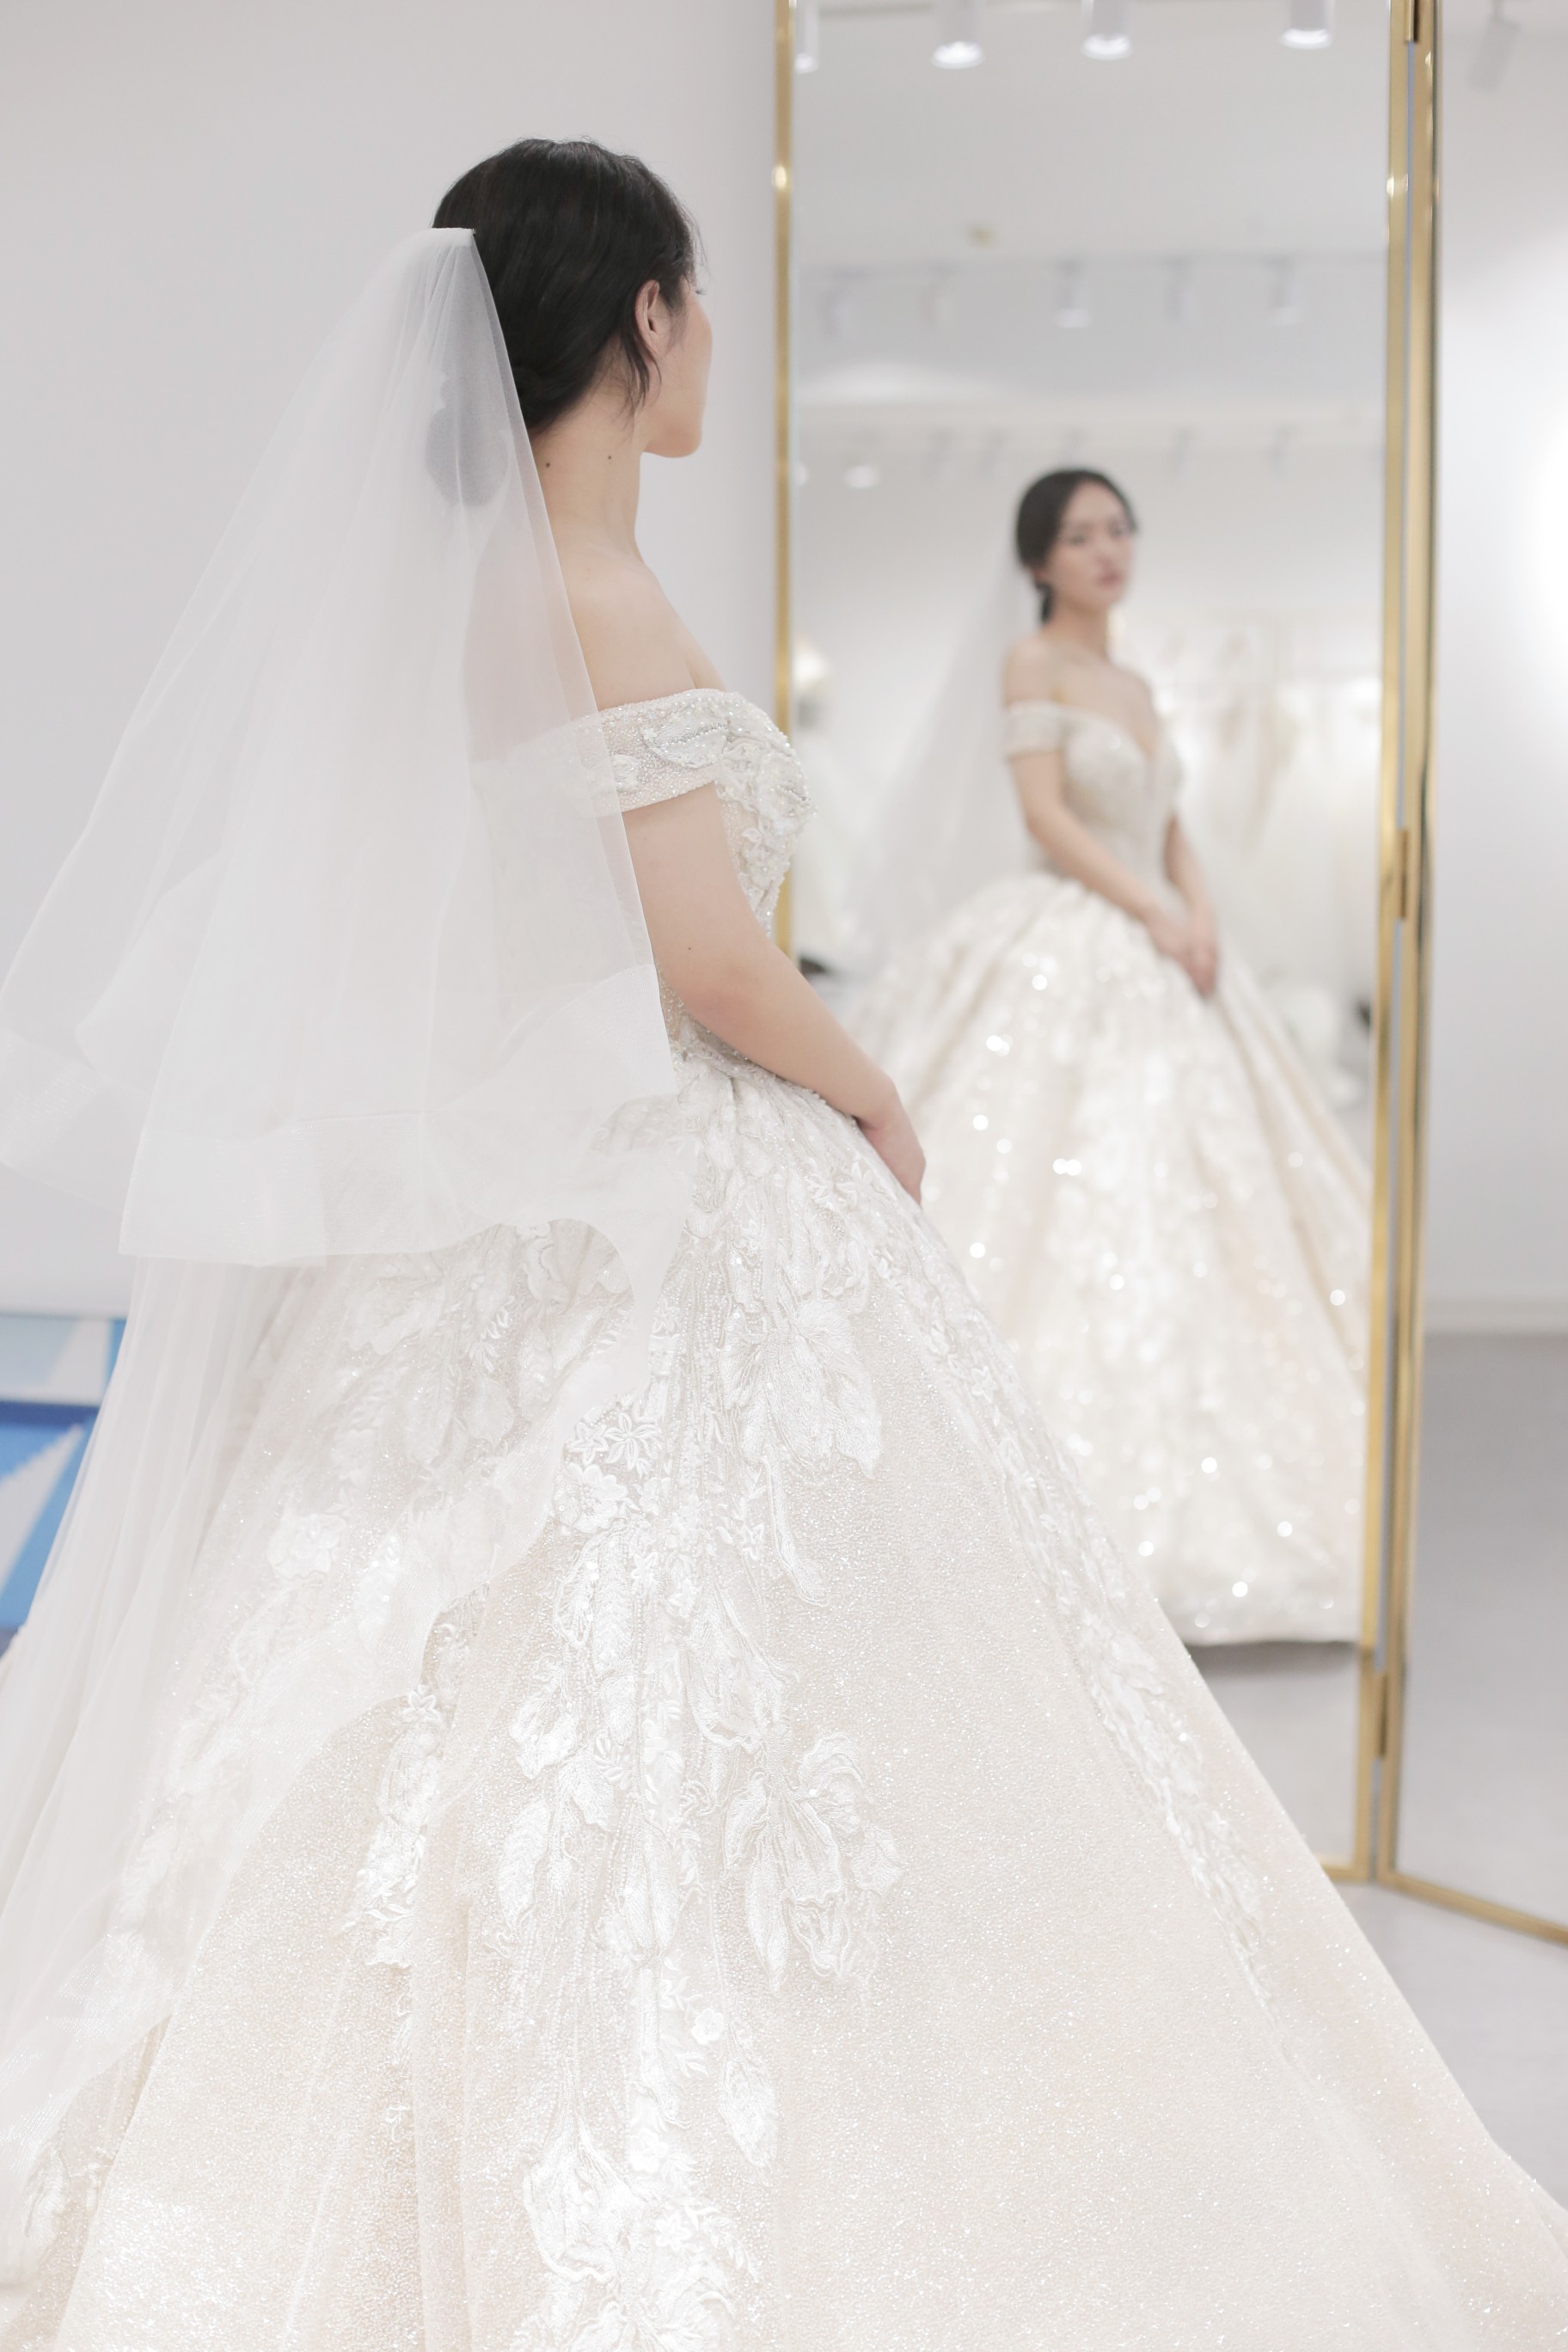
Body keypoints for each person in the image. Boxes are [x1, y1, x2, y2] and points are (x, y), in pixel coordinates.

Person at [0, 144, 1564, 2352]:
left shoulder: (463, 596)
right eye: (700, 299)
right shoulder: (601, 598)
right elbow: (711, 963)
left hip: (516, 1181)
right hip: (668, 1165)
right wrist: (873, 1087)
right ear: (642, 320)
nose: (710, 338)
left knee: (403, 1679)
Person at [853, 470, 1370, 1645]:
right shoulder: (1032, 663)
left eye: (1119, 529)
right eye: (1080, 535)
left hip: (1169, 934)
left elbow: (1170, 819)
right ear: (1037, 561)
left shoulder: (1134, 682)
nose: (1107, 550)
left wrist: (1200, 910)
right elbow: (1047, 817)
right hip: (1080, 929)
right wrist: (1151, 910)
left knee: (1223, 1185)